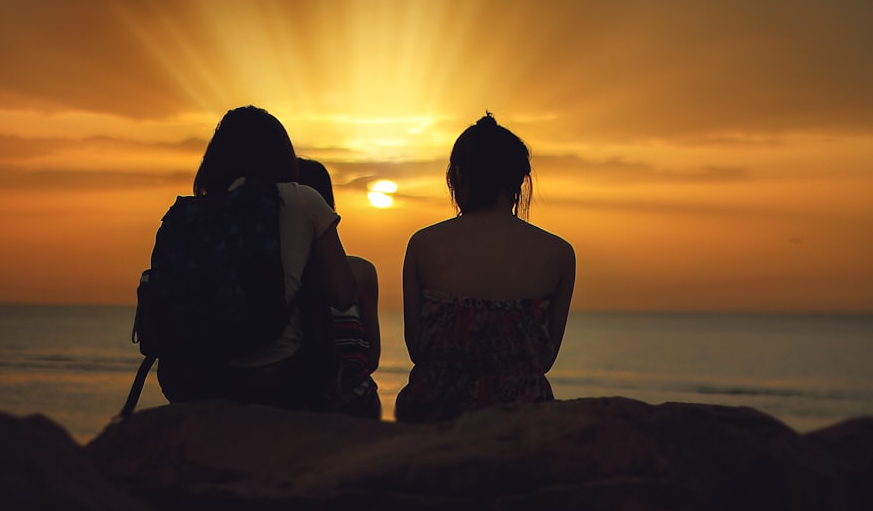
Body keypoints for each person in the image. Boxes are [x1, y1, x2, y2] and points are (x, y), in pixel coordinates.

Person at [155, 106, 357, 408]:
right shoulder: (302, 199)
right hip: (280, 374)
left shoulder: (194, 213)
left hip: (198, 374)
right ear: (281, 154)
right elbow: (343, 294)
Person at [394, 112, 576, 423]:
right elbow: (544, 360)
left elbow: (417, 349)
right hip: (520, 417)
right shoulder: (559, 253)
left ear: (459, 176)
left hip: (437, 413)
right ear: (519, 180)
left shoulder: (424, 244)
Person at [296, 158, 382, 419]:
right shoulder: (361, 272)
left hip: (294, 402)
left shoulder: (277, 275)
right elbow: (372, 357)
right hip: (355, 402)